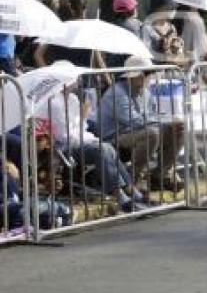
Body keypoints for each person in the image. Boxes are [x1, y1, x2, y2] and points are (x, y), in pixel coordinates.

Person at [40, 79, 147, 212]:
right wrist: (83, 117)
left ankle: (130, 190)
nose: (76, 82)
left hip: (81, 139)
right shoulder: (54, 103)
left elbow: (82, 128)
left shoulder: (72, 99)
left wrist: (83, 122)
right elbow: (64, 135)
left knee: (107, 147)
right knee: (103, 149)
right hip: (65, 146)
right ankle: (119, 194)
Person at [97, 56, 185, 193]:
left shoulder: (145, 92)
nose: (150, 76)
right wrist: (167, 121)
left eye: (149, 73)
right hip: (113, 138)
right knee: (152, 134)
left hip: (133, 133)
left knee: (179, 129)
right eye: (146, 73)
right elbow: (134, 121)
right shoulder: (118, 93)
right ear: (134, 75)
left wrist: (171, 123)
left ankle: (160, 176)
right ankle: (132, 181)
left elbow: (153, 115)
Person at [144, 0, 187, 66]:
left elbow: (179, 57)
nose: (174, 11)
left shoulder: (172, 28)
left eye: (174, 8)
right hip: (157, 73)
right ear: (158, 9)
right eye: (170, 8)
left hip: (173, 72)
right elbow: (147, 56)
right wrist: (163, 48)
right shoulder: (147, 28)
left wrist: (177, 49)